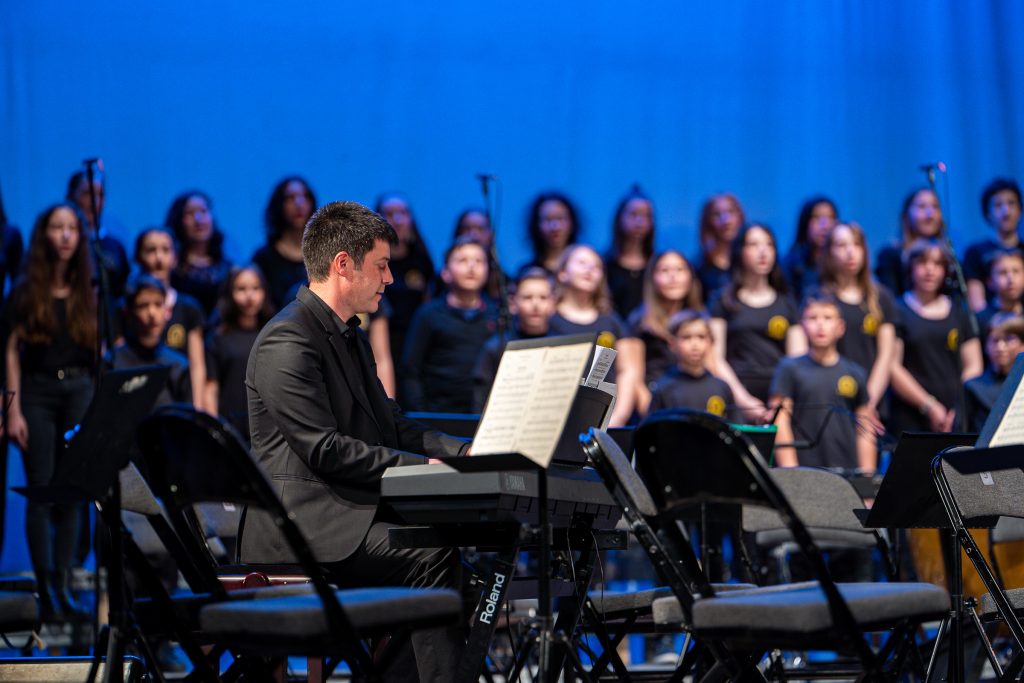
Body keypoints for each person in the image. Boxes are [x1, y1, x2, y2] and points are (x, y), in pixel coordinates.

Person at [241, 200, 468, 681]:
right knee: (433, 556)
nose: (389, 279)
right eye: (382, 266)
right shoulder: (288, 339)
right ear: (344, 265)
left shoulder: (348, 337)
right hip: (304, 524)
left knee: (468, 552)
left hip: (347, 513)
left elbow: (392, 424)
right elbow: (322, 448)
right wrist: (421, 469)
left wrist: (465, 452)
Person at [6, 203, 96, 622]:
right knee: (41, 489)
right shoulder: (25, 290)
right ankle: (45, 589)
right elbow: (11, 350)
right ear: (43, 235)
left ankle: (64, 583)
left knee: (73, 490)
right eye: (56, 228)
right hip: (38, 392)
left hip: (79, 387)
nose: (64, 235)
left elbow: (100, 351)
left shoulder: (91, 288)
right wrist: (14, 408)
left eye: (71, 228)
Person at [709, 223, 806, 421]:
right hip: (736, 392)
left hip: (779, 394)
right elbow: (715, 358)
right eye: (753, 245)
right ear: (740, 251)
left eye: (769, 245)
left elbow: (798, 358)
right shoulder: (724, 301)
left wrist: (781, 401)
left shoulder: (786, 303)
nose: (763, 252)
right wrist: (744, 400)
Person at [770, 295, 876, 471]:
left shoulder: (855, 372)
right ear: (802, 326)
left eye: (827, 318)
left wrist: (868, 479)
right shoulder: (789, 368)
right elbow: (780, 422)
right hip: (805, 471)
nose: (820, 325)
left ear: (840, 327)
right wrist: (792, 473)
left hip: (848, 471)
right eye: (812, 318)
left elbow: (865, 429)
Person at [890, 239, 983, 435]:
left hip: (956, 415)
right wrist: (929, 406)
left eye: (938, 264)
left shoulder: (959, 311)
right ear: (911, 268)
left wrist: (959, 407)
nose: (930, 270)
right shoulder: (898, 309)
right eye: (923, 263)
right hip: (911, 416)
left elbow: (974, 364)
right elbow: (893, 366)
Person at [400, 236, 497, 412]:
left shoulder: (498, 314)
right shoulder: (428, 314)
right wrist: (421, 414)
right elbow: (410, 371)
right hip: (438, 415)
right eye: (462, 260)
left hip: (486, 413)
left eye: (479, 261)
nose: (471, 267)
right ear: (445, 272)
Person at [550, 244, 641, 426]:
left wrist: (619, 416)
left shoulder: (611, 322)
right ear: (562, 273)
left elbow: (628, 370)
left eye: (596, 266)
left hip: (604, 419)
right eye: (582, 263)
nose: (589, 269)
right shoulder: (549, 319)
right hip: (555, 418)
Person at [816, 223, 898, 417]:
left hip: (872, 401)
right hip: (831, 402)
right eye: (842, 245)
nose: (850, 252)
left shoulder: (880, 297)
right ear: (829, 253)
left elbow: (886, 356)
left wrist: (867, 403)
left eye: (856, 244)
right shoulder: (819, 297)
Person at [133, 227, 207, 408]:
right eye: (151, 250)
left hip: (177, 396)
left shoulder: (188, 307)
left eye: (166, 250)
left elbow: (197, 365)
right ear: (139, 257)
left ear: (174, 257)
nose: (159, 258)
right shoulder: (125, 307)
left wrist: (196, 409)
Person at [626, 249, 703, 414]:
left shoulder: (701, 319)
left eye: (680, 270)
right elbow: (635, 379)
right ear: (652, 278)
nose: (673, 277)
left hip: (692, 399)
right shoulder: (639, 322)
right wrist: (653, 415)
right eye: (664, 270)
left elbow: (713, 366)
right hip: (653, 403)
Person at [205, 265, 275, 442]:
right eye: (241, 289)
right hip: (231, 426)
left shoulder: (274, 333)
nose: (249, 296)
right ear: (230, 293)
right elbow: (211, 387)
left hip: (269, 426)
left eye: (256, 288)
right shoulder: (218, 338)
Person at [374, 193, 434, 394]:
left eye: (403, 213)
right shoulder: (371, 260)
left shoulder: (421, 259)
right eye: (389, 214)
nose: (397, 220)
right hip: (382, 337)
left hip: (415, 340)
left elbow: (428, 301)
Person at [473, 267, 556, 411]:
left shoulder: (563, 347)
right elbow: (479, 401)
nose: (535, 305)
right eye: (527, 297)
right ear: (513, 303)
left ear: (553, 303)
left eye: (543, 297)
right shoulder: (495, 347)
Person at [107, 275, 192, 407]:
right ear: (128, 312)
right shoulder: (112, 363)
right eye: (143, 306)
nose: (152, 313)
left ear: (167, 310)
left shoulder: (178, 365)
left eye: (158, 304)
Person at [648, 310, 734, 418]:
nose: (695, 345)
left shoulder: (721, 387)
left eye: (701, 337)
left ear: (711, 342)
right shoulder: (664, 389)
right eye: (686, 337)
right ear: (672, 344)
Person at [65, 169, 131, 299]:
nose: (94, 201)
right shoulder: (64, 242)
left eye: (100, 195)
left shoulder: (115, 246)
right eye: (87, 194)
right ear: (71, 196)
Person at [253, 176, 317, 309]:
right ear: (279, 205)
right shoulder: (264, 258)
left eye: (305, 196)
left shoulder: (323, 254)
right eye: (290, 198)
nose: (299, 203)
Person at [166, 190, 233, 317]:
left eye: (203, 211)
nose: (198, 220)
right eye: (190, 213)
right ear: (178, 219)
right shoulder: (171, 268)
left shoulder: (227, 268)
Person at [963, 178, 1022, 312]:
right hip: (992, 327)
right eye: (998, 205)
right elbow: (978, 307)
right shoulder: (975, 253)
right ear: (987, 213)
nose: (1006, 211)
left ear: (1020, 210)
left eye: (1011, 203)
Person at [875, 187, 944, 297]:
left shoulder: (949, 256)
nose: (930, 214)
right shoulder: (891, 255)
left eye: (935, 207)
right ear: (907, 214)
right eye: (922, 207)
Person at [964, 313, 1024, 432]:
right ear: (986, 346)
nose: (1000, 347)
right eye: (995, 340)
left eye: (1009, 339)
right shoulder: (973, 387)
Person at [604, 187, 655, 318]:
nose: (640, 222)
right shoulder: (605, 264)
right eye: (633, 214)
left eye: (646, 216)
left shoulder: (656, 264)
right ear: (620, 218)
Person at [781, 196, 839, 300]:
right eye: (817, 218)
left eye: (831, 218)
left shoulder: (842, 264)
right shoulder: (789, 267)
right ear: (805, 223)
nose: (824, 226)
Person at [695, 192, 745, 302]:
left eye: (731, 212)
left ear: (740, 217)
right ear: (708, 222)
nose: (726, 220)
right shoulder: (700, 266)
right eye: (717, 215)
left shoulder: (751, 260)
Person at [519, 191, 580, 275]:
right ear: (536, 225)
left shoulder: (583, 271)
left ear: (572, 222)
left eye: (560, 218)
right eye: (548, 220)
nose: (555, 227)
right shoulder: (528, 272)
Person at [976, 248, 1024, 344]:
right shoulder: (979, 321)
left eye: (1016, 271)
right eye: (1003, 273)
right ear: (989, 281)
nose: (1011, 279)